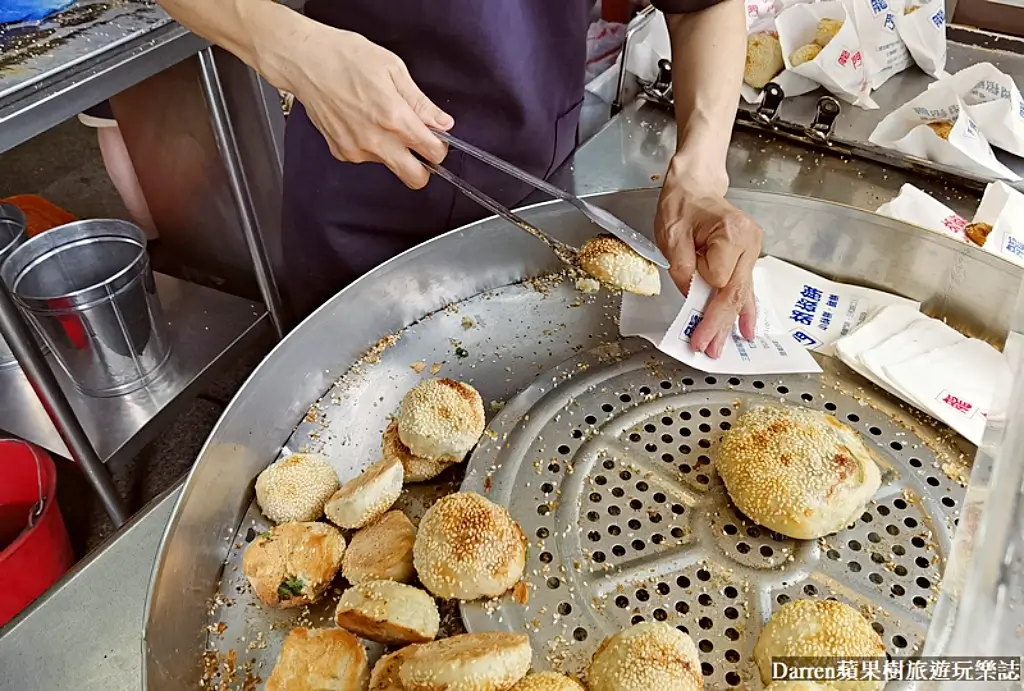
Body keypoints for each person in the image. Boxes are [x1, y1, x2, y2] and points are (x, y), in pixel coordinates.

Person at [155, 0, 762, 358]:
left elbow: (701, 5)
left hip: (535, 181)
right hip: (361, 186)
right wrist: (294, 51)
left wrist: (701, 171)